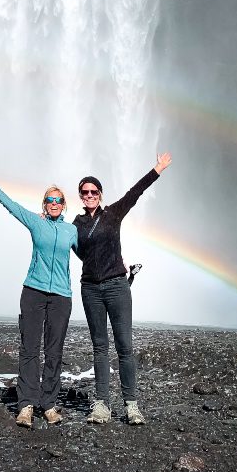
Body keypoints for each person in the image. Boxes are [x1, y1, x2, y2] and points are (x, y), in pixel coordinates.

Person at [0, 165, 78, 428]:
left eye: (59, 200)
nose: (54, 203)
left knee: (54, 352)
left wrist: (116, 268)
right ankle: (26, 405)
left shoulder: (71, 231)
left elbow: (90, 255)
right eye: (50, 200)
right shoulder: (36, 222)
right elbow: (13, 206)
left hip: (61, 297)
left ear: (64, 205)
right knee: (30, 350)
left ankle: (49, 405)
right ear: (44, 204)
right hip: (33, 292)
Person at [73, 152, 172, 425]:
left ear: (101, 195)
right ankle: (101, 405)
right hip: (90, 288)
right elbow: (73, 248)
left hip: (117, 285)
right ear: (80, 196)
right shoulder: (76, 225)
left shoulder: (113, 213)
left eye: (94, 191)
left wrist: (157, 169)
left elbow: (135, 192)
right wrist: (45, 217)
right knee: (99, 347)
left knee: (125, 346)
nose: (89, 195)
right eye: (85, 192)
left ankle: (131, 405)